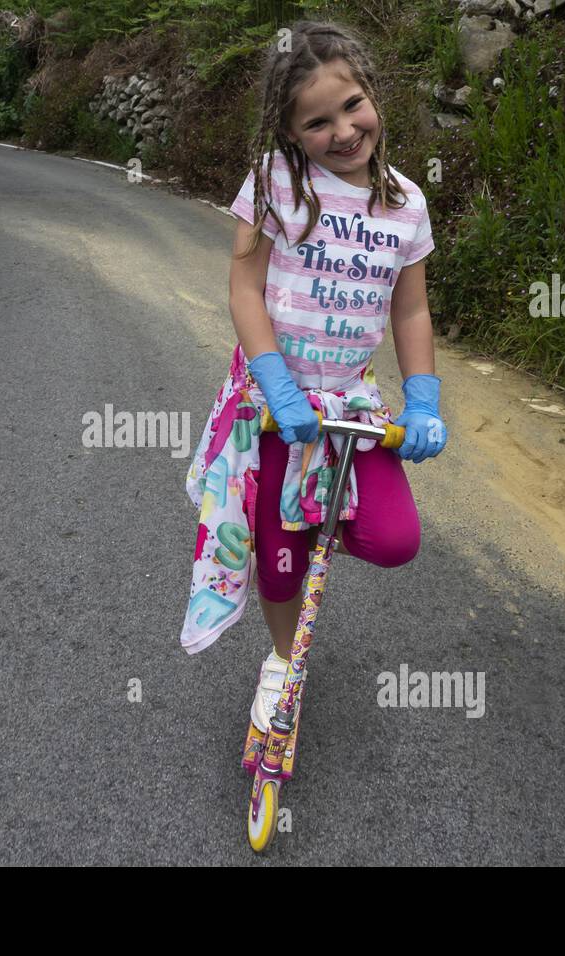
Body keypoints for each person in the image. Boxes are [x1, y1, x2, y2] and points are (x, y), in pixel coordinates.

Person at [179, 20, 447, 735]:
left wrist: (423, 398)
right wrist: (273, 379)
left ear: (372, 95)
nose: (343, 130)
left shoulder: (406, 204)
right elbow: (244, 286)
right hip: (273, 406)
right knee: (276, 555)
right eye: (317, 121)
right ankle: (280, 657)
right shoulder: (273, 182)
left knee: (395, 541)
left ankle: (316, 528)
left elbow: (412, 308)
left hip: (348, 410)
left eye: (353, 104)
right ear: (292, 133)